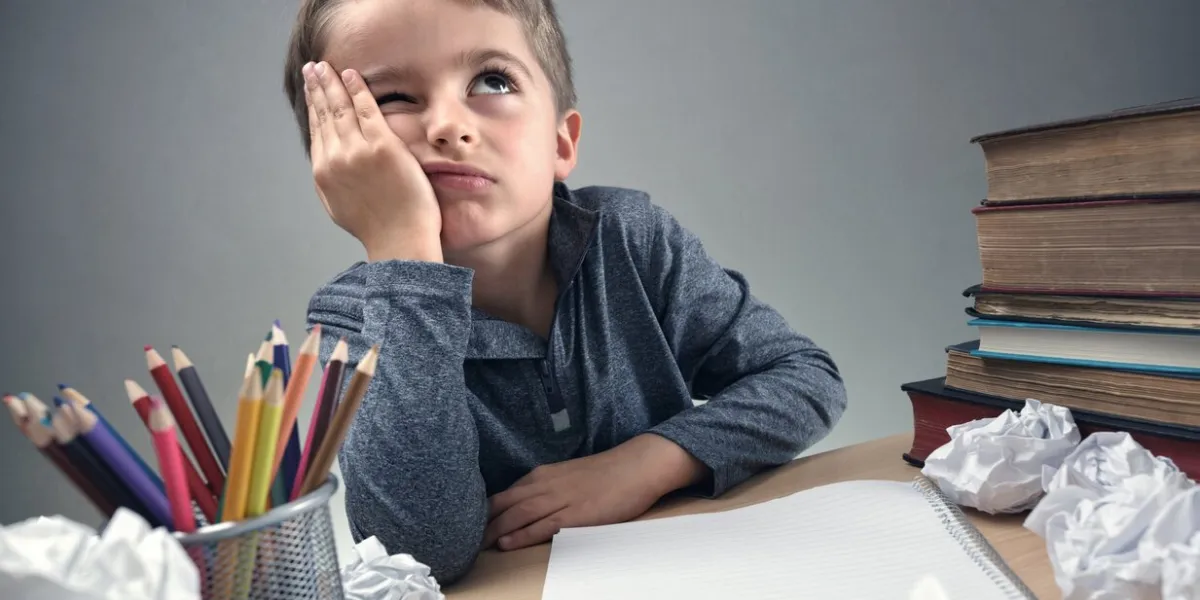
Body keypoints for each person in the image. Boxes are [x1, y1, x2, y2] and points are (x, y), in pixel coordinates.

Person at [283, 0, 847, 584]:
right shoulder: (355, 320)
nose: (448, 124)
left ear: (561, 143)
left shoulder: (630, 239)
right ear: (337, 163)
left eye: (492, 80)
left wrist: (646, 464)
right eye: (391, 99)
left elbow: (805, 377)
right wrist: (404, 250)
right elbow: (417, 554)